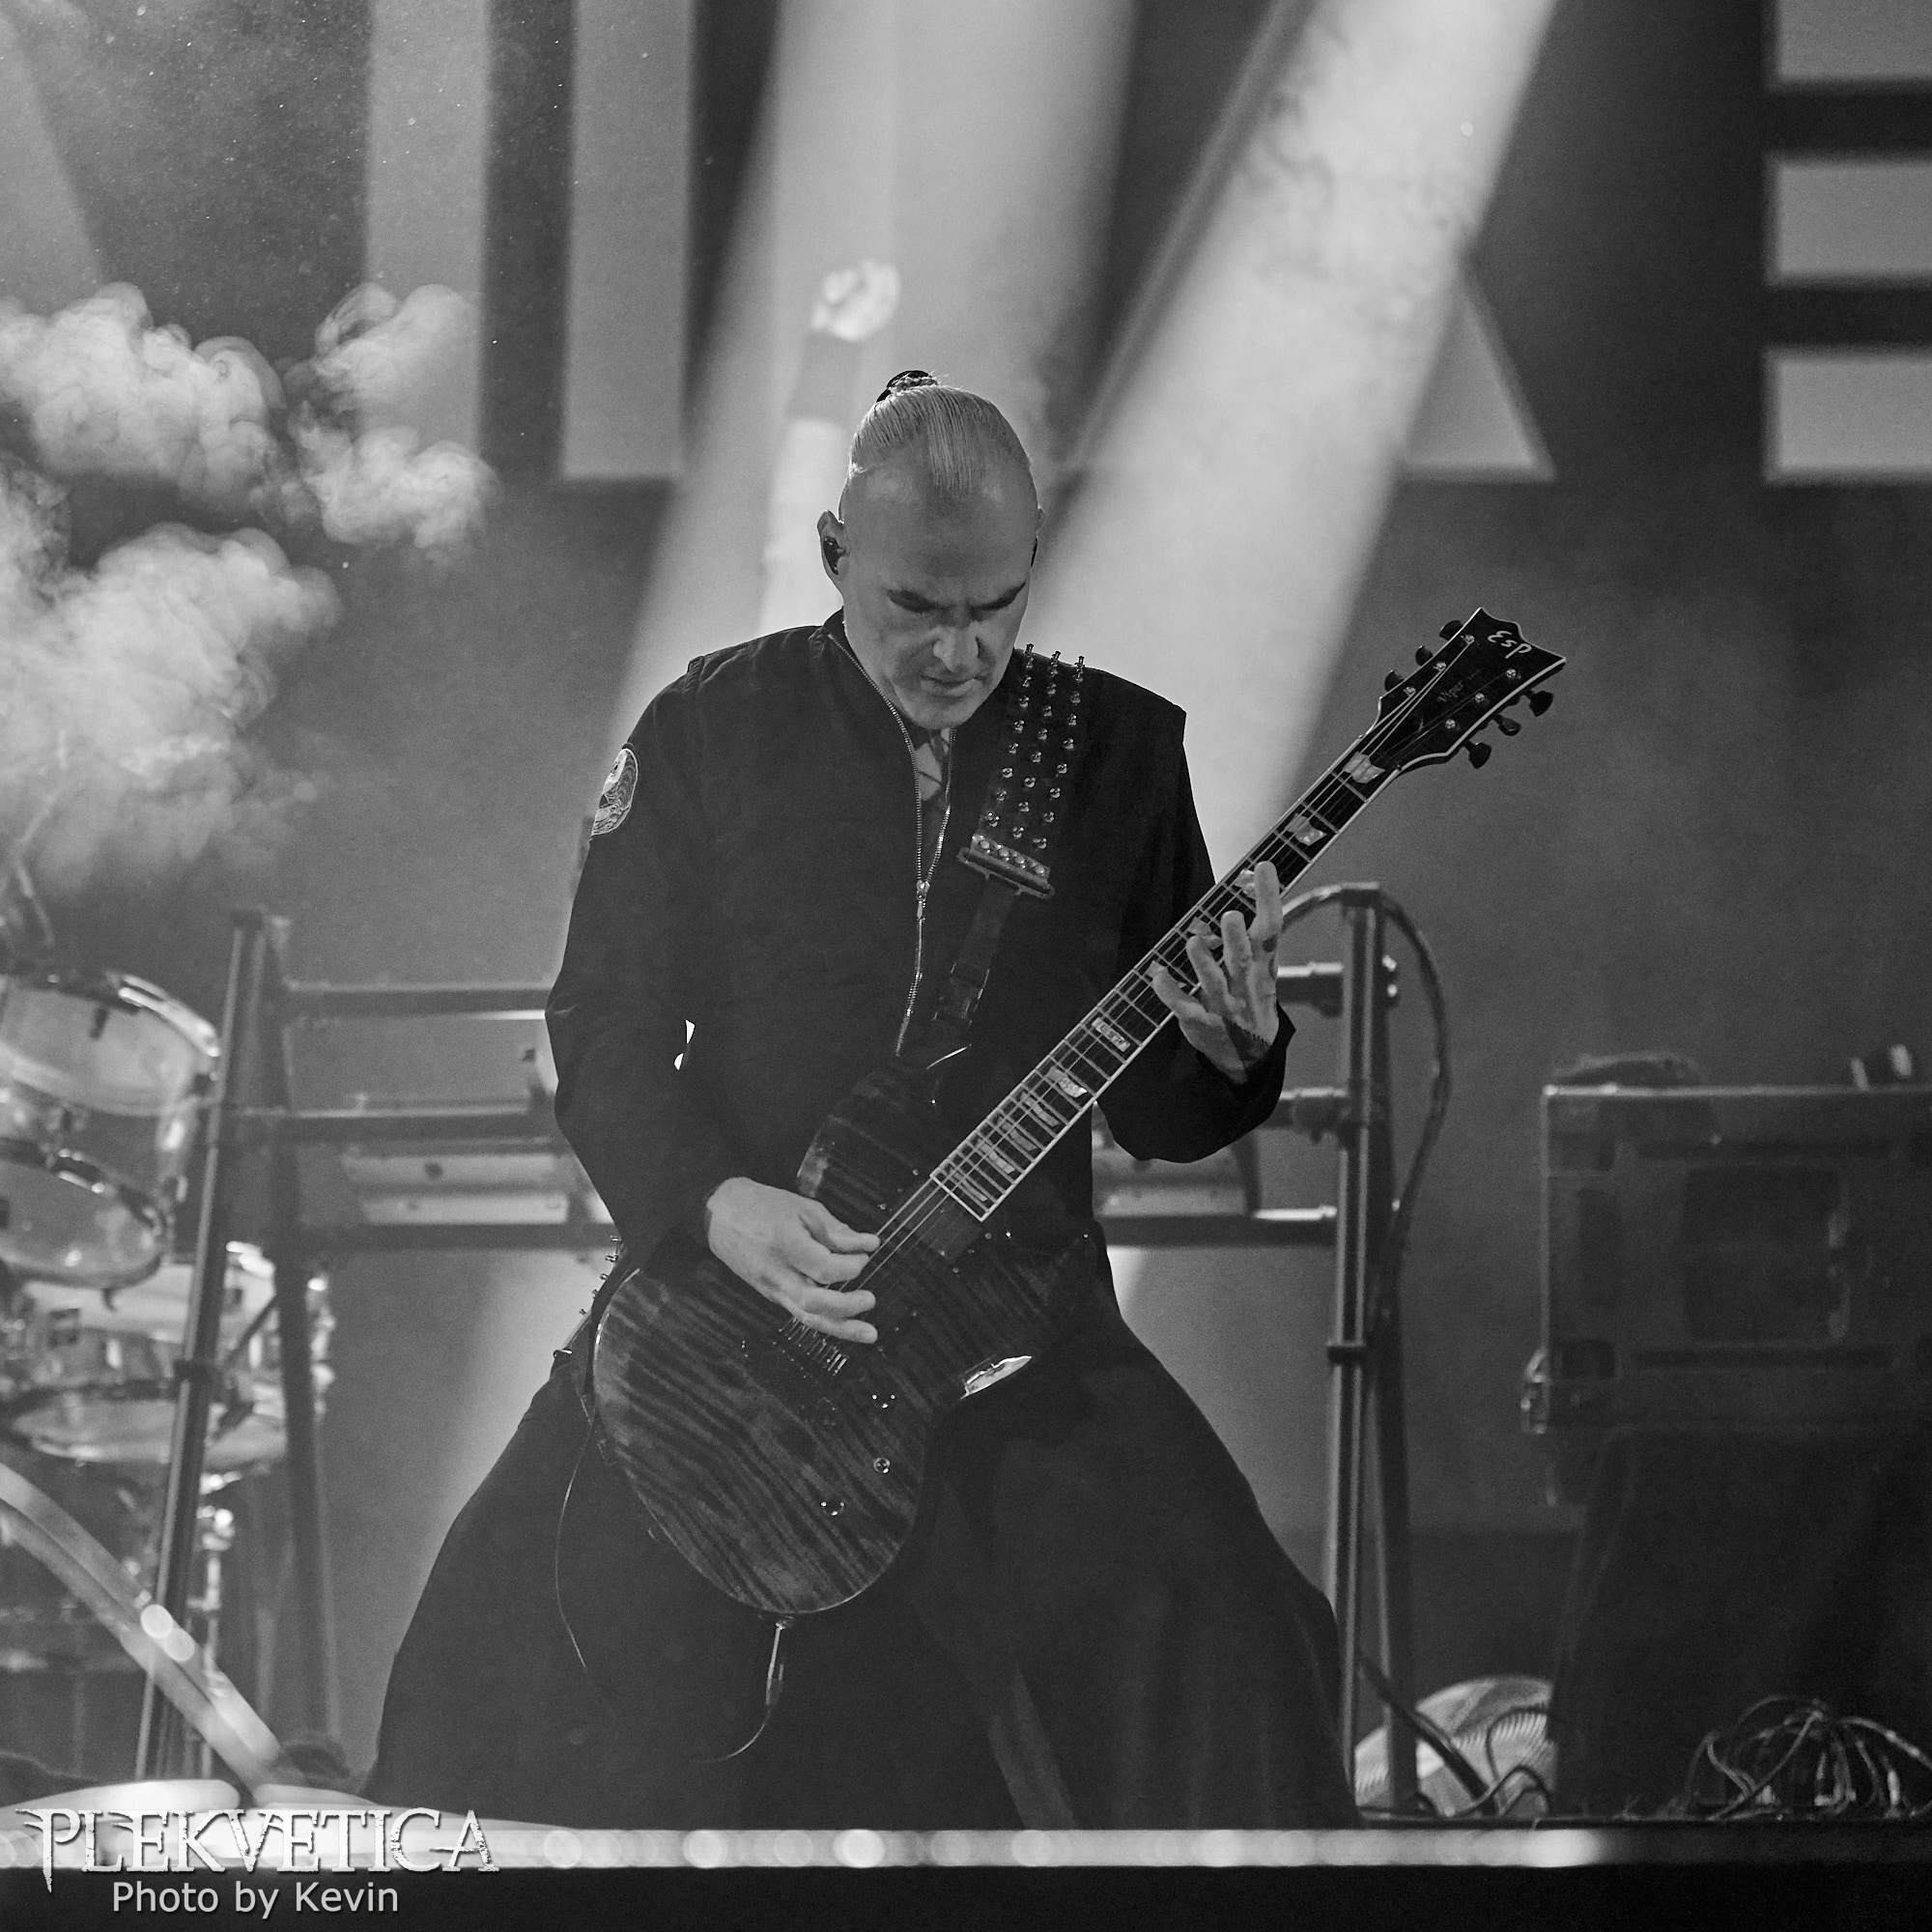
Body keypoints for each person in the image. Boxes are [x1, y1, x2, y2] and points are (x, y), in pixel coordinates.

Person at [364, 375, 1356, 1829]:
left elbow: (1161, 1114)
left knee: (1241, 1632)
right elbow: (605, 1028)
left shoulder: (1117, 752)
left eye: (995, 607)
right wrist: (717, 1208)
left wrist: (1234, 1047)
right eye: (916, 608)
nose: (960, 650)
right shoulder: (713, 727)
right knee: (481, 1654)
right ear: (837, 558)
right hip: (738, 1315)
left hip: (1019, 1334)